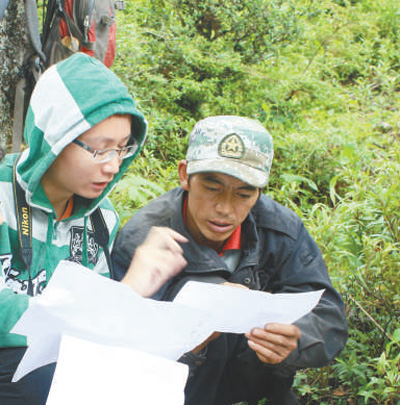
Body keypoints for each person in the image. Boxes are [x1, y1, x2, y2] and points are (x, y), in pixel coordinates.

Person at [112, 115, 348, 405]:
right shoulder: (143, 241)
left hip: (263, 394)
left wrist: (297, 338)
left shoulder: (281, 230)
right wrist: (193, 337)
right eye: (212, 188)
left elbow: (330, 319)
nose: (225, 208)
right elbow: (123, 355)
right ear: (185, 175)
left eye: (244, 194)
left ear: (259, 192)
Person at [0, 53, 187, 405]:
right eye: (100, 151)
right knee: (43, 381)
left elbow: (97, 328)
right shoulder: (3, 198)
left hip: (59, 362)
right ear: (54, 139)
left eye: (123, 148)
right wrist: (122, 294)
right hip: (20, 368)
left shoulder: (101, 221)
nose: (113, 166)